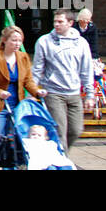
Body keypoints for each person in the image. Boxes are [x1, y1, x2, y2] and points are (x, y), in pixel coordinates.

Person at [31, 9, 95, 152]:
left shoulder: (81, 43)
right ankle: (62, 162)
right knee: (60, 132)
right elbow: (37, 69)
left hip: (74, 93)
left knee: (75, 130)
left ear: (70, 23)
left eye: (60, 22)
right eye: (55, 21)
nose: (56, 25)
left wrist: (90, 94)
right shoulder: (44, 41)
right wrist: (32, 91)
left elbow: (86, 70)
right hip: (53, 92)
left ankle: (57, 156)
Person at [0, 25, 43, 170]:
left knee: (16, 139)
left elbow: (28, 80)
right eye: (14, 40)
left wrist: (37, 92)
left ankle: (11, 167)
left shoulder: (23, 57)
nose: (17, 44)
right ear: (4, 40)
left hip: (18, 104)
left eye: (19, 41)